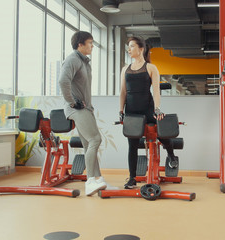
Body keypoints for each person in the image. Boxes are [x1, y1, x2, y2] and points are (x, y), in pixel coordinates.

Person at [119, 36, 178, 189]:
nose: (129, 49)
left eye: (132, 46)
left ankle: (171, 155)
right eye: (129, 47)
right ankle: (132, 178)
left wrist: (157, 109)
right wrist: (120, 110)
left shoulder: (151, 68)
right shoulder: (125, 68)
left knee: (159, 133)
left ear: (141, 49)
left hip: (147, 108)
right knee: (132, 144)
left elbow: (156, 91)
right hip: (131, 110)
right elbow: (123, 92)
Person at [59, 31, 107, 196]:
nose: (92, 46)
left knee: (88, 144)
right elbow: (62, 81)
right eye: (90, 43)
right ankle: (90, 181)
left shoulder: (84, 62)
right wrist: (72, 102)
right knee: (95, 139)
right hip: (76, 109)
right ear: (80, 44)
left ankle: (98, 178)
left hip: (85, 108)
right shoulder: (73, 59)